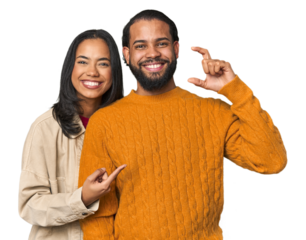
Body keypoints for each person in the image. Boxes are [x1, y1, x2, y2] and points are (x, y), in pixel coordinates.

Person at [78, 7, 288, 240]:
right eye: (141, 46)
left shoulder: (214, 111)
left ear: (176, 49)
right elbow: (97, 215)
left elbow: (272, 162)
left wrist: (235, 90)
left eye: (161, 43)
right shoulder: (105, 122)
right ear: (127, 54)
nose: (152, 53)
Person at [18, 28, 127, 240]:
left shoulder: (126, 127)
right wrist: (82, 198)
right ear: (70, 68)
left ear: (114, 71)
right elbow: (28, 207)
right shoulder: (45, 127)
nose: (93, 71)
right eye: (83, 62)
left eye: (103, 63)